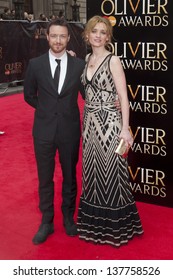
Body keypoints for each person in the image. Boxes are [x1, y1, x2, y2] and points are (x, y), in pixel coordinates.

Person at [77, 15, 144, 247]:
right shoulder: (86, 59)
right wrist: (86, 127)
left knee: (113, 174)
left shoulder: (113, 60)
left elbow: (124, 97)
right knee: (93, 172)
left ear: (108, 36)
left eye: (103, 32)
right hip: (91, 124)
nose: (98, 35)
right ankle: (95, 227)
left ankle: (118, 228)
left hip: (110, 124)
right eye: (94, 31)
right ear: (87, 34)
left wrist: (125, 129)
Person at [24, 18, 85, 245]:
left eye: (62, 36)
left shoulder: (78, 66)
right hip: (43, 131)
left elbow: (88, 95)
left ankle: (69, 217)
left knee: (70, 176)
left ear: (68, 38)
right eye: (54, 36)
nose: (58, 40)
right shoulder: (35, 64)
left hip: (69, 130)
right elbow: (29, 94)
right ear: (46, 37)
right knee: (45, 178)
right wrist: (46, 110)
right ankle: (47, 221)